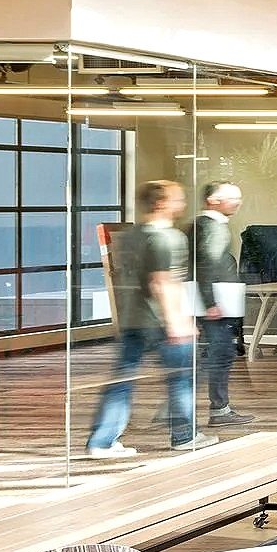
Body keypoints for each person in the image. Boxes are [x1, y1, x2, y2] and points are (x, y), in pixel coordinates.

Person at [86, 180, 208, 459]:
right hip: (162, 322)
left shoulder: (130, 236)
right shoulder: (168, 238)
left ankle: (102, 441)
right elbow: (162, 282)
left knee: (123, 380)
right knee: (182, 378)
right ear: (161, 203)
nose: (182, 204)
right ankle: (184, 436)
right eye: (178, 199)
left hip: (132, 319)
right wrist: (177, 321)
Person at [189, 182, 249, 427]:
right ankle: (219, 410)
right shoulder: (211, 228)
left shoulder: (207, 225)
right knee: (220, 354)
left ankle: (174, 408)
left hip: (213, 299)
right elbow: (206, 265)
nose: (238, 202)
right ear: (213, 200)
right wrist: (211, 302)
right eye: (232, 197)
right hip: (215, 301)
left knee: (214, 354)